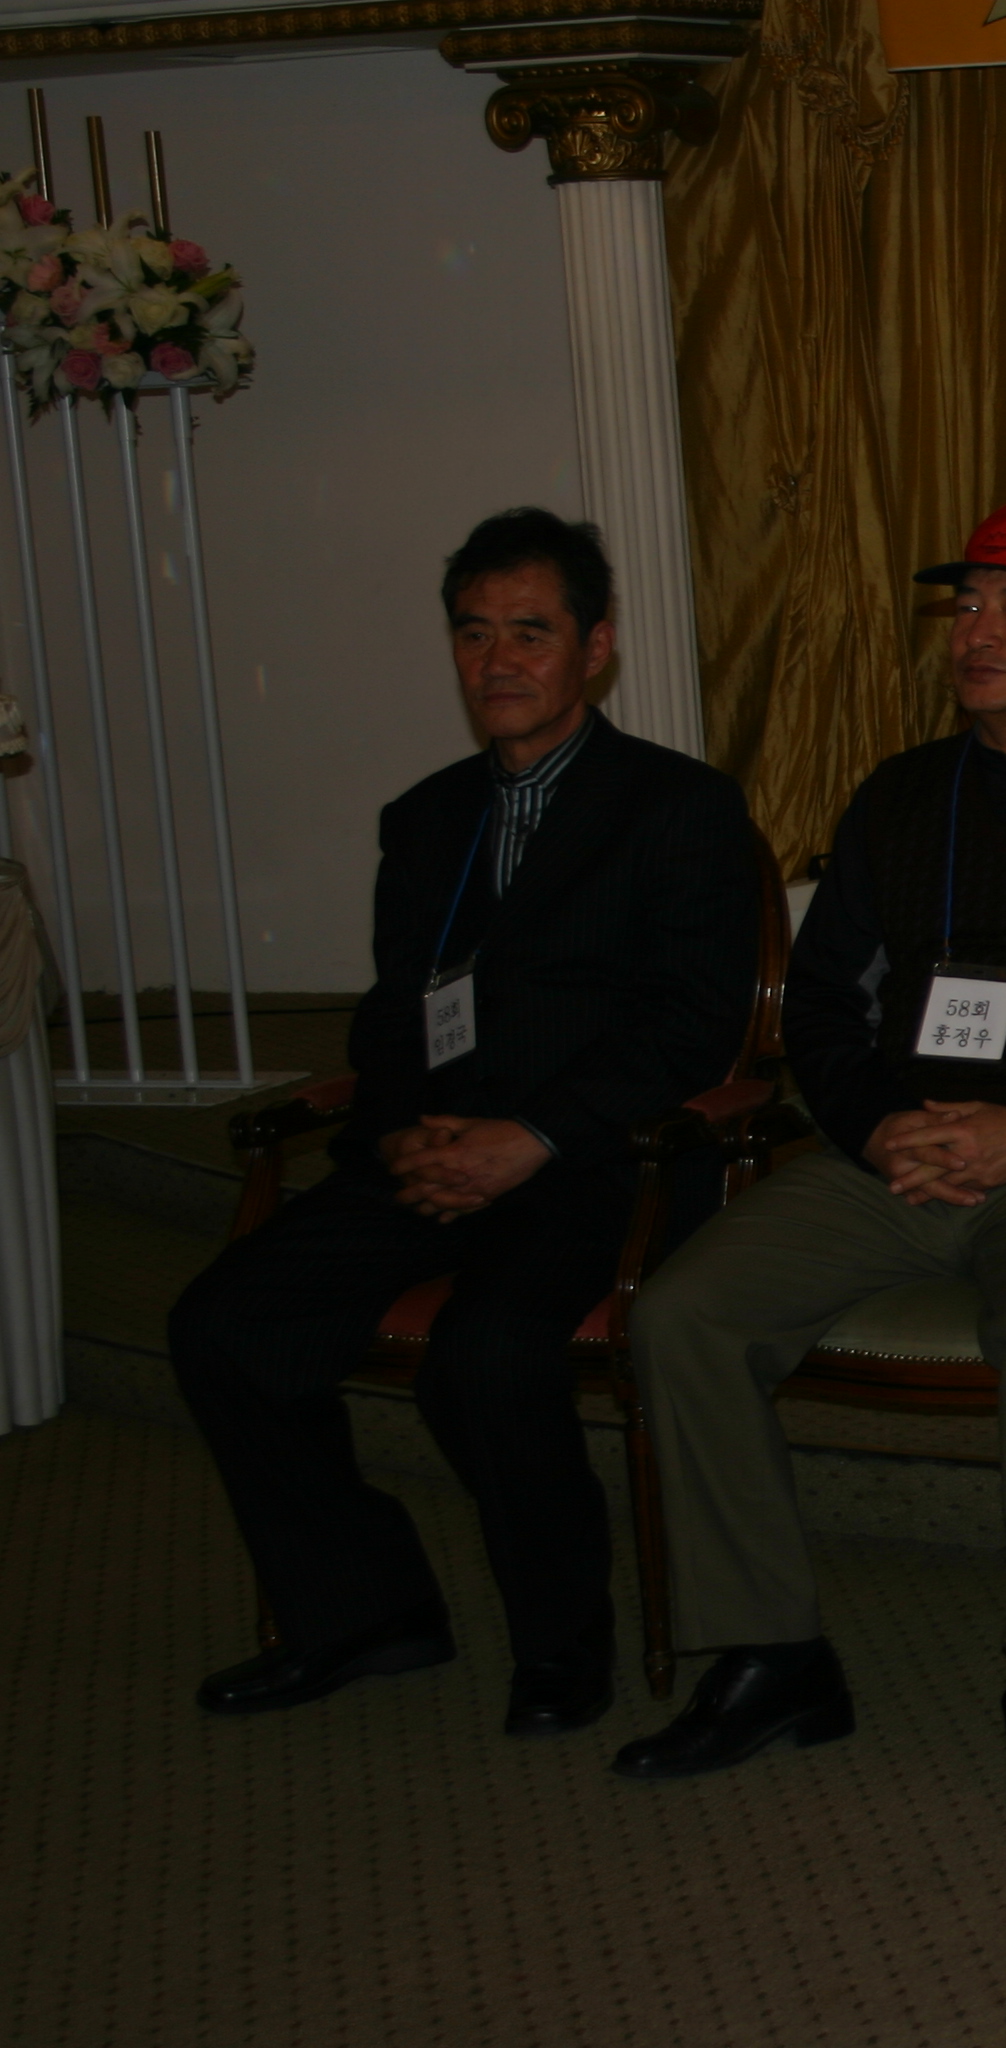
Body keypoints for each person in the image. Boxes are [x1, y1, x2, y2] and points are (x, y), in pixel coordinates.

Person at [611, 499, 1006, 1823]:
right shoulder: (899, 795)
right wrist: (875, 1122)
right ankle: (774, 1654)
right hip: (889, 1153)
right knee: (681, 1310)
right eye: (967, 605)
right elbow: (820, 1005)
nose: (977, 631)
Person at [173, 508, 757, 1736]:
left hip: (596, 1166)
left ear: (594, 646)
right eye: (474, 632)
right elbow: (395, 1015)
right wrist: (402, 1133)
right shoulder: (427, 815)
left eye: (530, 632)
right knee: (225, 1321)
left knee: (485, 1353)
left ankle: (562, 1643)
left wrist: (527, 1138)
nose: (499, 659)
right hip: (434, 1158)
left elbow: (689, 1030)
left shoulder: (679, 807)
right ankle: (365, 1609)